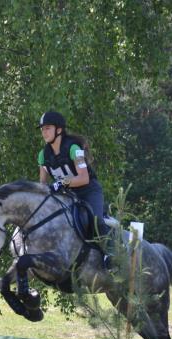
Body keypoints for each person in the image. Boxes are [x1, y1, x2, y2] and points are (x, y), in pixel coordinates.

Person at [37, 110, 113, 269]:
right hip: (68, 195)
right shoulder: (43, 155)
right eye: (42, 129)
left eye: (47, 128)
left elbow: (83, 178)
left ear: (59, 130)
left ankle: (110, 254)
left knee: (95, 219)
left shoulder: (74, 148)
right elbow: (43, 186)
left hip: (89, 191)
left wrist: (62, 182)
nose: (44, 132)